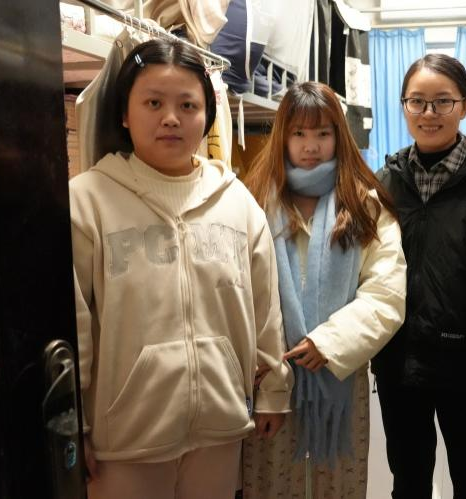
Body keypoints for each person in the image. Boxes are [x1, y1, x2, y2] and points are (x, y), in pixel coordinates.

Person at [69, 38, 293, 499]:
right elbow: (75, 323)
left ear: (207, 115)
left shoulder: (235, 201)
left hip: (220, 424)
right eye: (153, 103)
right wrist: (76, 423)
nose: (171, 118)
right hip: (125, 438)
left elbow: (264, 305)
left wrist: (273, 388)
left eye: (188, 105)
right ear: (124, 113)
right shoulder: (87, 200)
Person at [242, 81, 407, 499]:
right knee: (270, 483)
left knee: (337, 481)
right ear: (283, 136)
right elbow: (238, 291)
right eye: (299, 133)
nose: (311, 146)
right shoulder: (252, 203)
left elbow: (386, 293)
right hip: (270, 377)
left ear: (339, 136)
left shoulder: (366, 205)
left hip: (339, 374)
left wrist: (328, 344)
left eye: (322, 133)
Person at [373, 53, 466, 499]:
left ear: (465, 105)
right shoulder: (387, 181)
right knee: (408, 480)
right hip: (399, 361)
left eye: (442, 101)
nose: (428, 113)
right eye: (416, 101)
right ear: (403, 106)